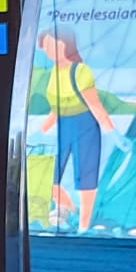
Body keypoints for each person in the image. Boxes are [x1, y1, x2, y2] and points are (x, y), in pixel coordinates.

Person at [39, 28, 114, 232]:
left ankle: (83, 227)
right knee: (48, 177)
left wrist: (112, 131)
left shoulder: (81, 71)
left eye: (50, 44)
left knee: (86, 179)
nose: (47, 50)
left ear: (65, 44)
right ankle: (69, 207)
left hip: (86, 127)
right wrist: (42, 130)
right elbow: (57, 108)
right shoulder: (54, 72)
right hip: (64, 127)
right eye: (45, 46)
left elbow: (95, 105)